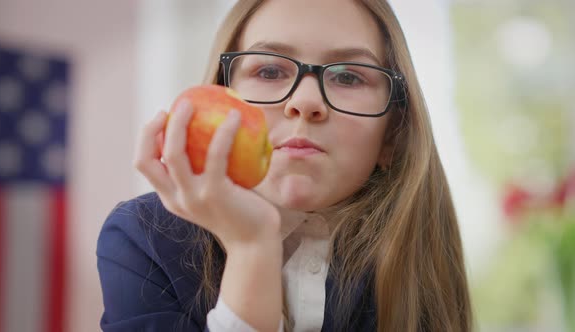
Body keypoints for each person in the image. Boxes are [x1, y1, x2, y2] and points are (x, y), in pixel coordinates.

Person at [96, 0, 473, 331]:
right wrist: (251, 248)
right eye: (270, 72)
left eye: (347, 76)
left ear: (392, 137)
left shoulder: (411, 255)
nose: (305, 101)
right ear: (220, 92)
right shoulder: (139, 239)